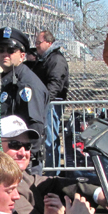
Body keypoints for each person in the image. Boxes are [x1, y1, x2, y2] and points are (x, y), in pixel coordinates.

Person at [0, 115, 108, 214]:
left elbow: (52, 183)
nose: (23, 152)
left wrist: (98, 194)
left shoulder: (23, 177)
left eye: (27, 146)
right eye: (15, 145)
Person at [0, 27, 50, 142]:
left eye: (11, 50)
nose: (5, 54)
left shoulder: (27, 83)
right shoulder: (3, 79)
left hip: (18, 149)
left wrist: (24, 150)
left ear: (22, 56)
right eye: (1, 50)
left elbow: (35, 127)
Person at [33, 29, 70, 170]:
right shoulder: (44, 59)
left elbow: (55, 83)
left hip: (51, 104)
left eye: (39, 42)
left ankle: (53, 171)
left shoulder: (56, 59)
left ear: (49, 42)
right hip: (45, 103)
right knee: (45, 139)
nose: (36, 45)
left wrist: (44, 101)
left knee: (50, 139)